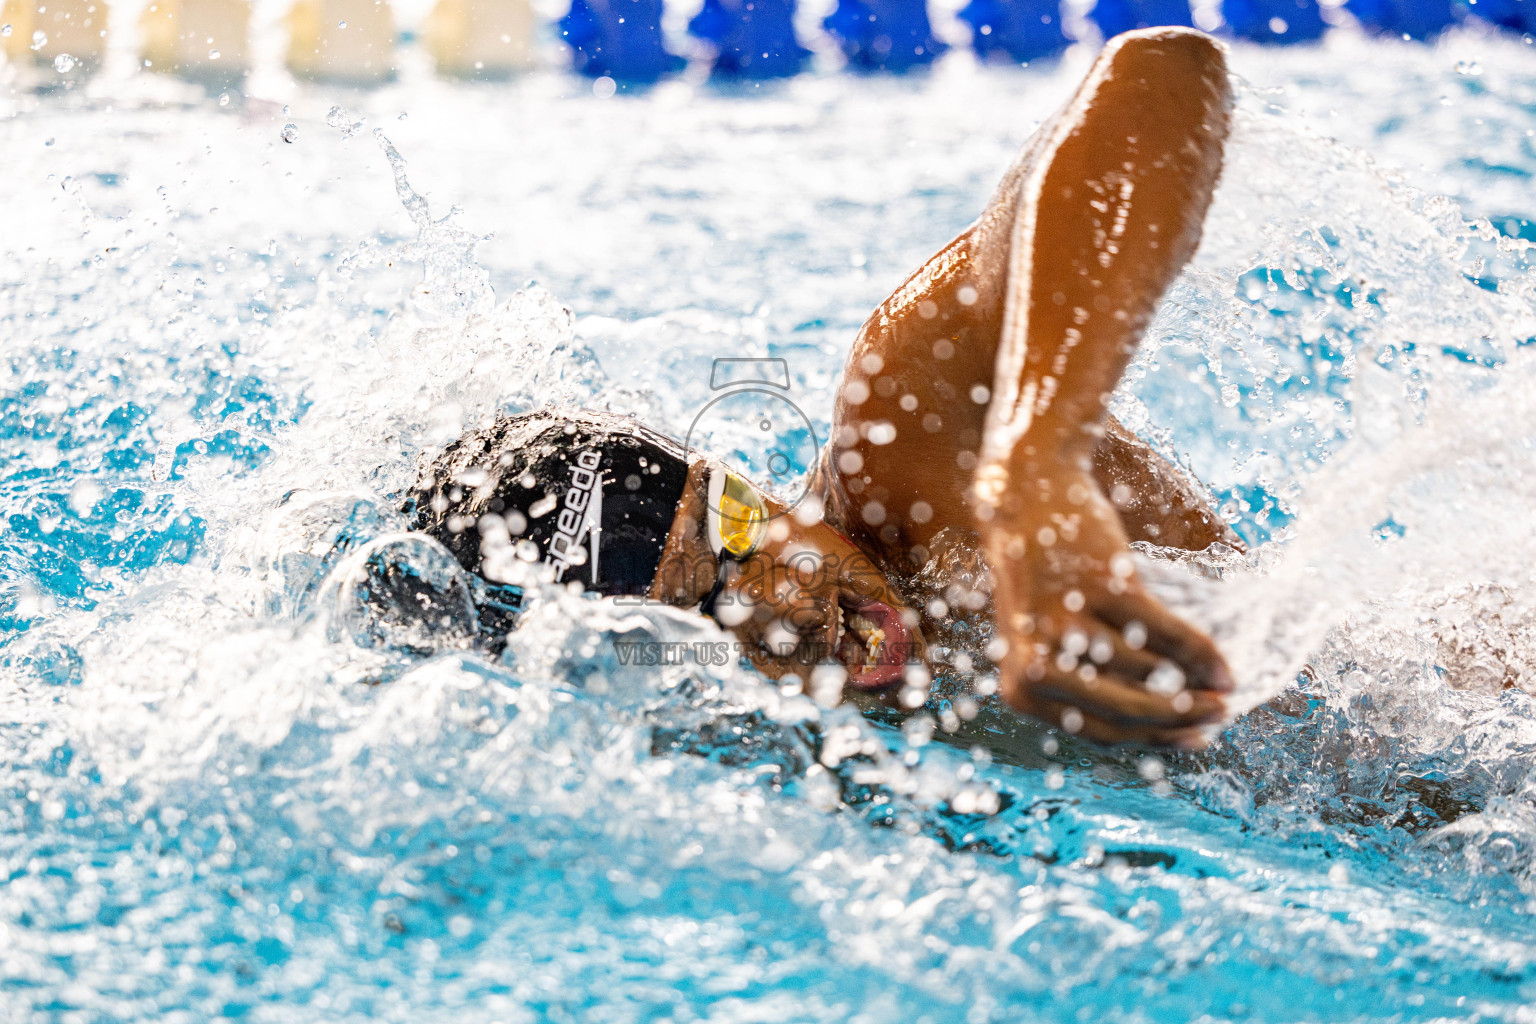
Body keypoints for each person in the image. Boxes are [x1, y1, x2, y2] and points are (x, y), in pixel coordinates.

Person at [412, 26, 1240, 748]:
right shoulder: (778, 752)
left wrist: (1036, 463)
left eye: (731, 533)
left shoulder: (908, 442)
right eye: (705, 620)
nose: (783, 605)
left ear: (731, 475)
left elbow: (1162, 76)